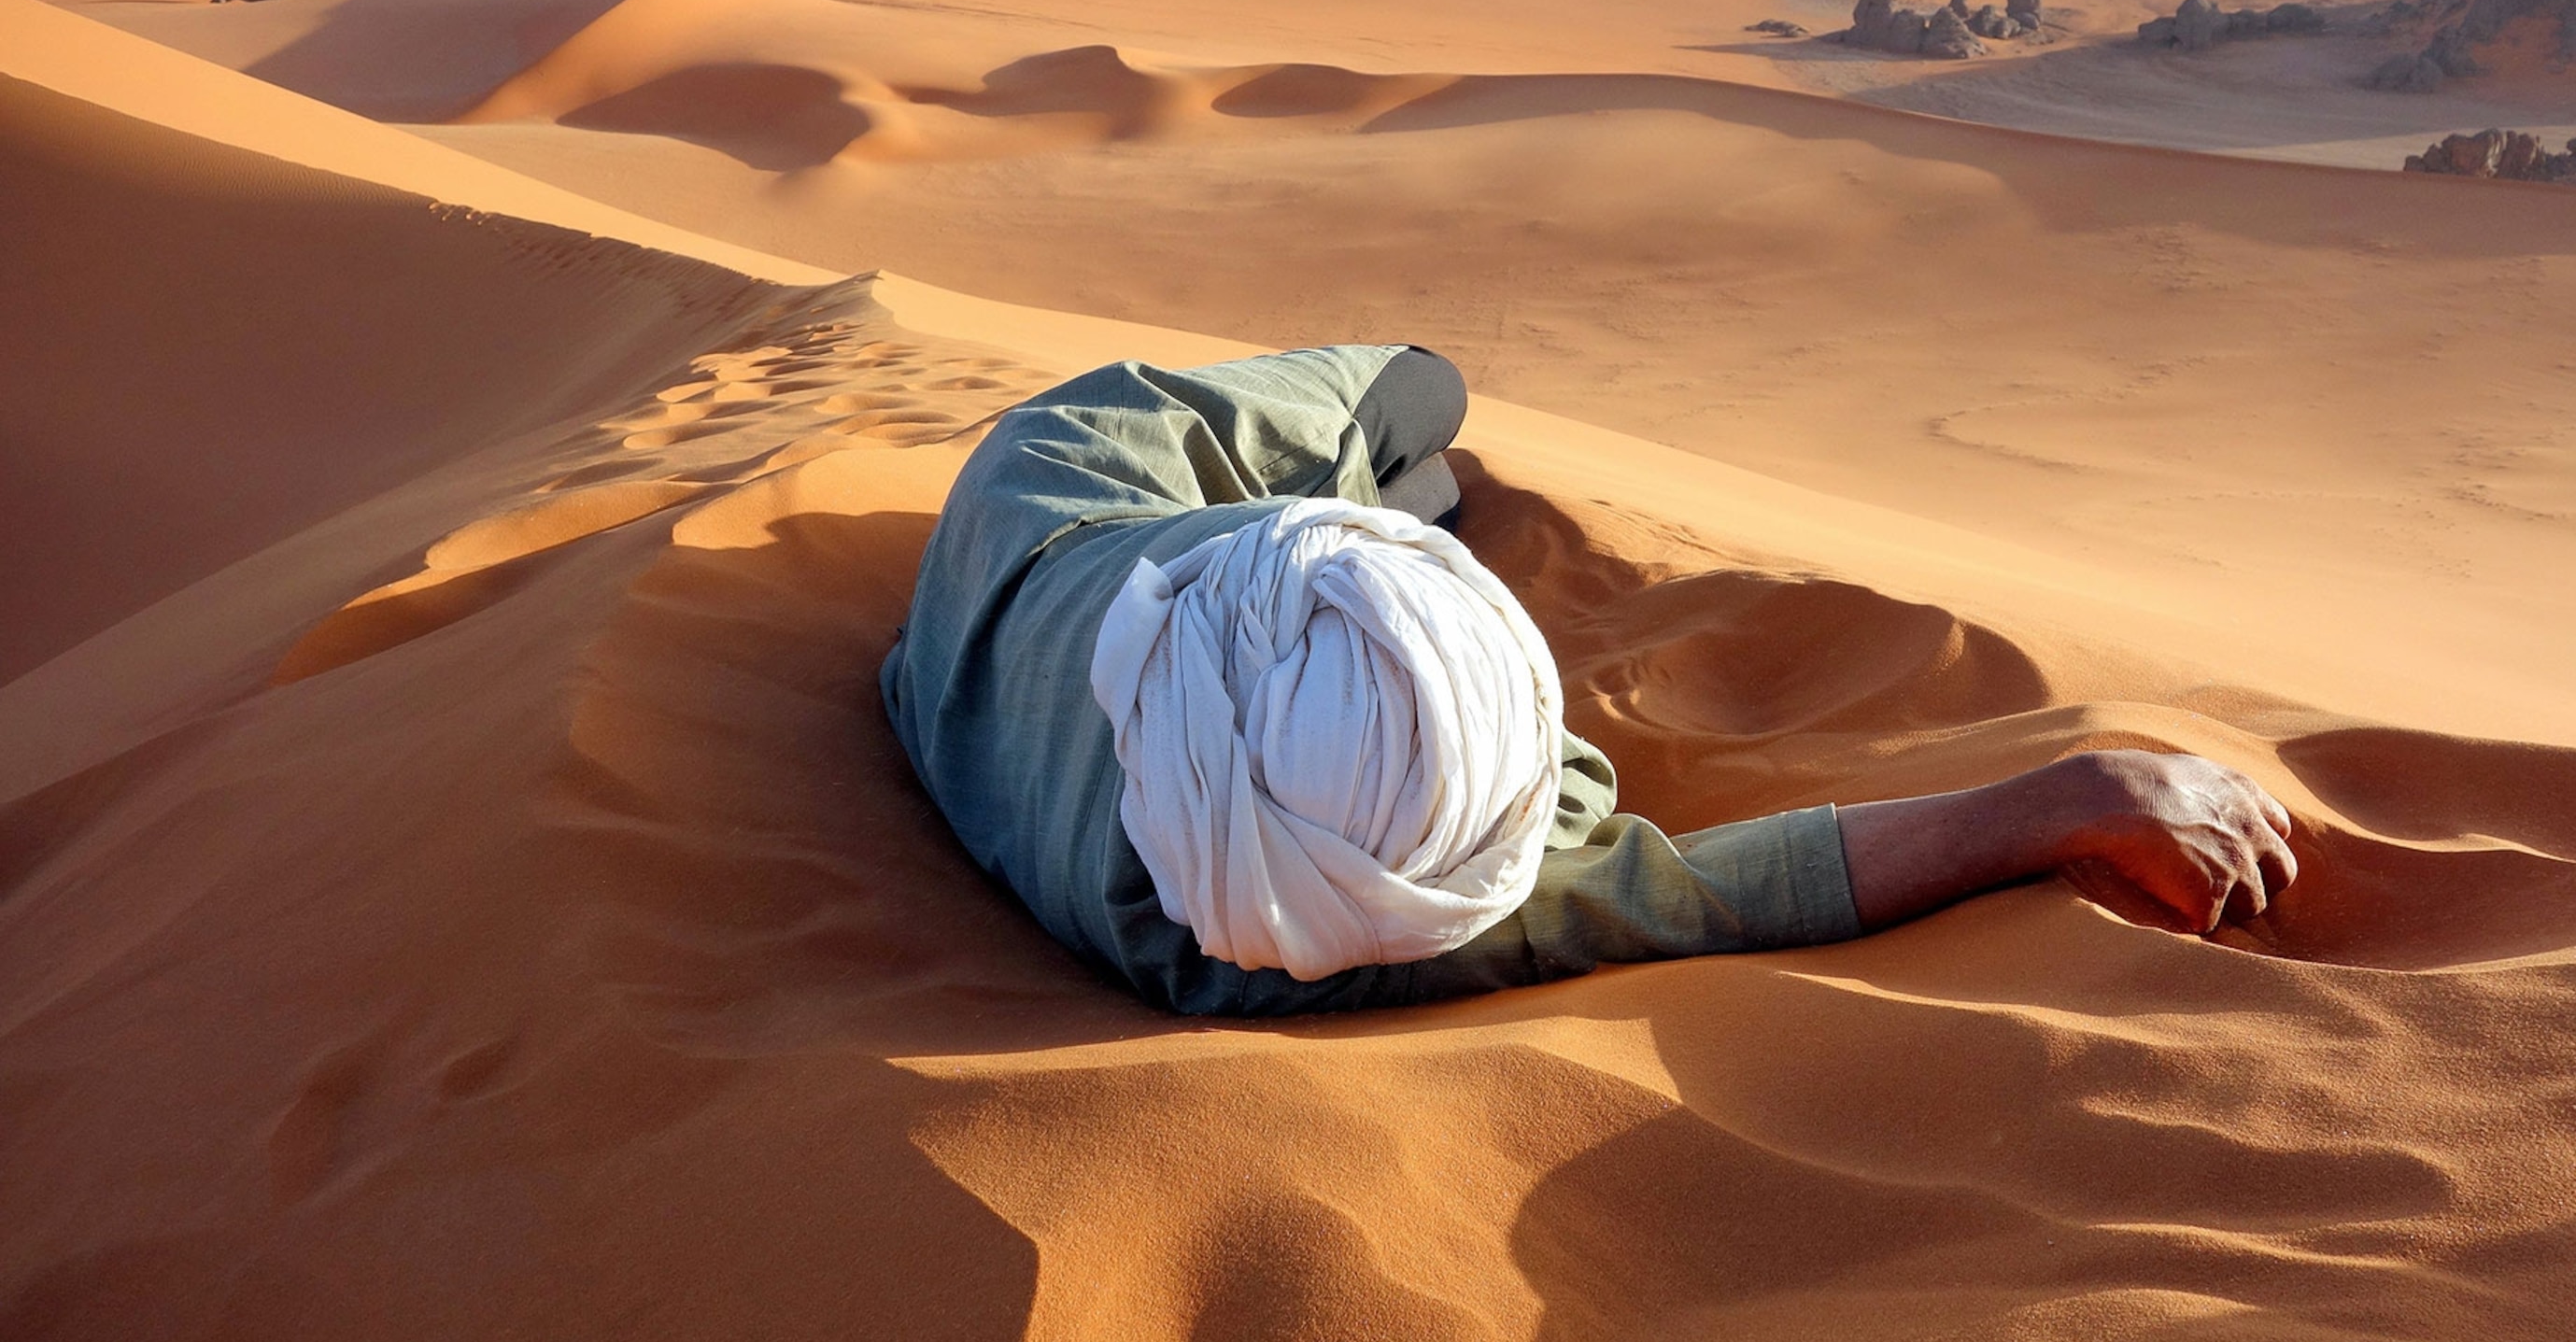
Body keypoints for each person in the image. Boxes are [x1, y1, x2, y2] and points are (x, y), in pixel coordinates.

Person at [881, 345, 2298, 1016]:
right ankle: (1394, 498)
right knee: (1421, 410)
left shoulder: (1244, 924)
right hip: (1061, 595)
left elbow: (1687, 891)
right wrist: (2072, 798)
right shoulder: (1324, 926)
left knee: (1418, 412)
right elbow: (1715, 897)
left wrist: (2063, 803)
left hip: (1061, 496)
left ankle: (1380, 495)